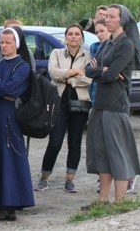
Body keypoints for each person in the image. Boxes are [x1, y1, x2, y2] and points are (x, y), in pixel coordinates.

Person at [84, 4, 140, 206]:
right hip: (99, 103)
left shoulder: (126, 45)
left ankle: (120, 202)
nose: (107, 20)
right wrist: (103, 70)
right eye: (106, 16)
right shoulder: (107, 44)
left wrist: (101, 71)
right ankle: (102, 200)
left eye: (111, 17)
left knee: (117, 152)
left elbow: (108, 75)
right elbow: (88, 70)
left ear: (122, 20)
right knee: (101, 152)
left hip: (115, 105)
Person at [0, 26, 35, 221]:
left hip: (9, 116)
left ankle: (9, 206)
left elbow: (12, 88)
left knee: (8, 160)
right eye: (1, 42)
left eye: (8, 42)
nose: (3, 46)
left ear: (16, 44)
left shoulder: (22, 66)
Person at [35, 24, 92, 194]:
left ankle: (70, 180)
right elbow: (53, 73)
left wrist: (68, 78)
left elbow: (89, 79)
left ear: (81, 37)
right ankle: (44, 177)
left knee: (75, 143)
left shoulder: (88, 55)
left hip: (80, 104)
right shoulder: (57, 53)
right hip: (59, 103)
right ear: (66, 37)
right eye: (70, 34)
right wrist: (75, 72)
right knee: (55, 142)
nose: (74, 37)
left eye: (77, 34)